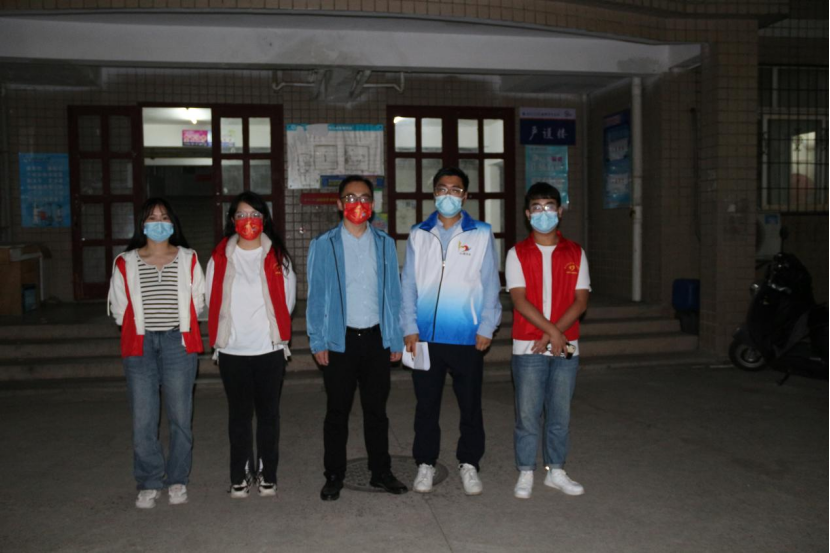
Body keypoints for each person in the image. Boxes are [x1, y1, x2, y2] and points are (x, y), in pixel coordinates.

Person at [400, 166, 502, 496]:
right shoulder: (419, 233)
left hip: (466, 335)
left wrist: (487, 325)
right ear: (434, 193)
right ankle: (425, 463)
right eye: (442, 188)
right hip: (426, 337)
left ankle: (469, 463)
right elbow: (408, 284)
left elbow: (490, 283)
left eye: (455, 189)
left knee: (470, 404)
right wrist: (409, 326)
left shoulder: (481, 233)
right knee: (426, 405)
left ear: (465, 196)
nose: (448, 195)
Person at [306, 175, 408, 501]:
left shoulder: (385, 244)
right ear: (339, 204)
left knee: (376, 411)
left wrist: (395, 337)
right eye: (350, 198)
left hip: (376, 338)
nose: (357, 204)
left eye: (364, 197)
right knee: (337, 411)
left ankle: (381, 472)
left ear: (373, 205)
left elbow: (394, 293)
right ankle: (334, 475)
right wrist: (318, 340)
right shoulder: (324, 245)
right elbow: (316, 296)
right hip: (341, 341)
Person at [107, 198, 204, 509]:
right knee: (143, 418)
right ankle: (149, 480)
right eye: (152, 217)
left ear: (173, 224)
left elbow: (198, 300)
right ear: (142, 225)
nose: (158, 222)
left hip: (178, 342)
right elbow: (119, 308)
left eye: (164, 217)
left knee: (180, 416)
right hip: (141, 344)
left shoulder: (188, 258)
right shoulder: (125, 262)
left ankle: (177, 479)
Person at [206, 191, 296, 499]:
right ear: (232, 220)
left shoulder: (278, 258)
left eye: (254, 215)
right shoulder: (219, 258)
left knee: (269, 415)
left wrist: (274, 334)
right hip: (233, 351)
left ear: (264, 219)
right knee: (239, 417)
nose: (248, 221)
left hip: (268, 350)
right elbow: (212, 300)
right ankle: (240, 473)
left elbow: (287, 303)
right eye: (242, 215)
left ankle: (268, 473)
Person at [506, 182, 590, 499]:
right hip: (528, 346)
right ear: (528, 214)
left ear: (560, 211)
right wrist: (552, 333)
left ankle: (556, 470)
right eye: (537, 208)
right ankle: (526, 471)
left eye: (550, 206)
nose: (544, 213)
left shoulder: (575, 252)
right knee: (527, 415)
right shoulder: (517, 253)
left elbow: (580, 301)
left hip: (566, 347)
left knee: (560, 414)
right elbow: (519, 300)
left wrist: (552, 334)